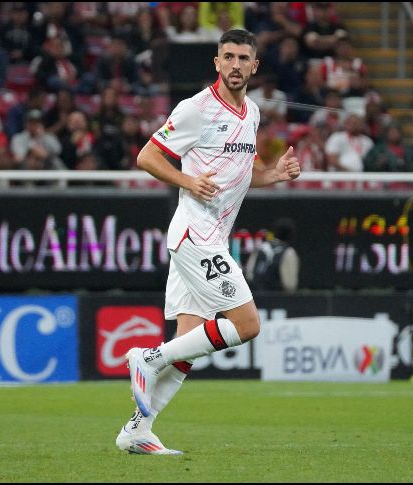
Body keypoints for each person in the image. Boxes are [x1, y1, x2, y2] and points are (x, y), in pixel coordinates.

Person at [115, 29, 300, 456]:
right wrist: (187, 181)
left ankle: (137, 431)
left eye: (243, 58)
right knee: (247, 324)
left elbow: (244, 169)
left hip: (210, 236)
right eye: (228, 57)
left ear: (255, 66)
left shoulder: (251, 113)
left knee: (189, 346)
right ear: (216, 63)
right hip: (195, 233)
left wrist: (274, 174)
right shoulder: (196, 109)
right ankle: (148, 358)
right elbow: (147, 156)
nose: (235, 65)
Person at [244, 218, 300, 293]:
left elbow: (249, 274)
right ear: (291, 235)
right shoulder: (289, 252)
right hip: (278, 300)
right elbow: (289, 284)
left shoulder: (260, 248)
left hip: (256, 298)